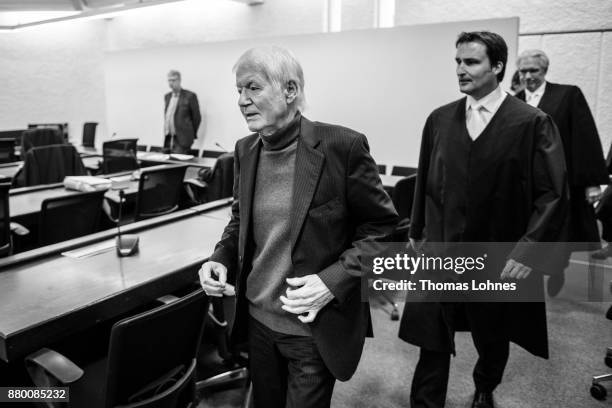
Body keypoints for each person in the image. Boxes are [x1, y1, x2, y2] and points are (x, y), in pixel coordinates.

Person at [198, 46, 397, 408]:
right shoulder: (245, 150)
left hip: (311, 328)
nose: (242, 100)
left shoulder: (342, 146)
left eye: (253, 88)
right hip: (257, 323)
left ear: (290, 91)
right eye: (238, 91)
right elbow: (240, 221)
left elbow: (383, 230)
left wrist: (331, 281)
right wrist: (220, 257)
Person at [399, 32, 568, 408]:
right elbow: (426, 180)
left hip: (497, 254)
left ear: (497, 66)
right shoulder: (440, 120)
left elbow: (552, 194)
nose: (460, 70)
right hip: (442, 251)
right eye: (457, 62)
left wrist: (529, 251)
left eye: (471, 62)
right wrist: (416, 232)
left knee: (492, 334)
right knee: (433, 336)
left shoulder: (532, 123)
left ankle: (485, 386)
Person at [515, 50, 609, 294]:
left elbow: (584, 135)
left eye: (533, 70)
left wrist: (591, 181)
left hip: (560, 178)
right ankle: (533, 270)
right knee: (529, 228)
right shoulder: (513, 101)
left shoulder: (567, 95)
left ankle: (557, 269)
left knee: (560, 229)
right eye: (523, 71)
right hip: (526, 181)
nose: (528, 76)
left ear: (544, 70)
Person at [163, 69, 202, 154]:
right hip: (169, 138)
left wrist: (191, 134)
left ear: (179, 80)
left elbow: (197, 118)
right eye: (169, 80)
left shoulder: (190, 96)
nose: (171, 83)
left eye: (173, 80)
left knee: (177, 163)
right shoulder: (167, 96)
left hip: (183, 139)